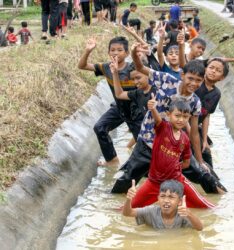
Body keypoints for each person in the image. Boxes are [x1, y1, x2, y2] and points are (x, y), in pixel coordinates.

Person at [111, 43, 226, 194]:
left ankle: (222, 201)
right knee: (126, 181)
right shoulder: (167, 80)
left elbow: (194, 133)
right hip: (148, 142)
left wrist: (199, 160)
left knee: (203, 175)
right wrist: (133, 53)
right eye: (190, 78)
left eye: (198, 80)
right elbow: (140, 68)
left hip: (174, 148)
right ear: (183, 75)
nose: (194, 84)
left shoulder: (195, 102)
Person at [127, 98, 215, 209]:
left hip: (176, 181)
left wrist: (174, 167)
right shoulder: (163, 128)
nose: (181, 120)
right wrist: (153, 108)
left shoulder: (185, 140)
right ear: (169, 115)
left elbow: (187, 162)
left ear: (189, 118)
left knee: (206, 206)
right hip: (154, 181)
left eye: (185, 117)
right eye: (177, 116)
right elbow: (158, 119)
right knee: (128, 207)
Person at [78, 37, 142, 167]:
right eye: (112, 50)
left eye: (120, 50)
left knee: (143, 142)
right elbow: (82, 66)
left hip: (137, 111)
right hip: (119, 109)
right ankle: (112, 161)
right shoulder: (106, 67)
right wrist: (88, 51)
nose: (115, 53)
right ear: (108, 53)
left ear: (127, 53)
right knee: (100, 128)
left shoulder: (133, 69)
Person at [123, 179, 204, 230]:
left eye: (171, 197)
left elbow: (200, 228)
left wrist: (189, 214)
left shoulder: (183, 214)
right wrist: (128, 199)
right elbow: (127, 213)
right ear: (158, 198)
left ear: (179, 201)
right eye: (162, 196)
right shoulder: (151, 211)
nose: (166, 200)